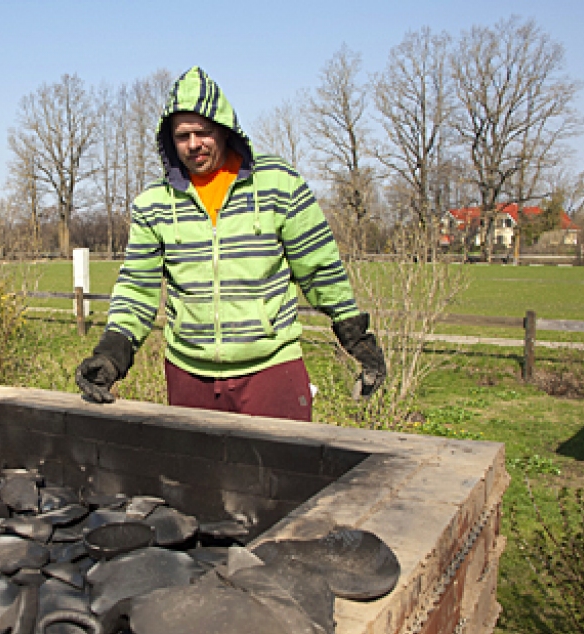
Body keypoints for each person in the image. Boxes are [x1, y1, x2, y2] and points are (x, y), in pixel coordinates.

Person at [75, 67, 385, 420]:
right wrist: (112, 354)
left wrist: (356, 338)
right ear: (169, 141)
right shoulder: (154, 203)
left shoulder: (277, 184)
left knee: (283, 472)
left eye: (203, 132)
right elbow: (137, 288)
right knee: (196, 476)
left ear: (224, 130)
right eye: (182, 136)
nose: (193, 144)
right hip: (189, 373)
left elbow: (319, 268)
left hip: (271, 369)